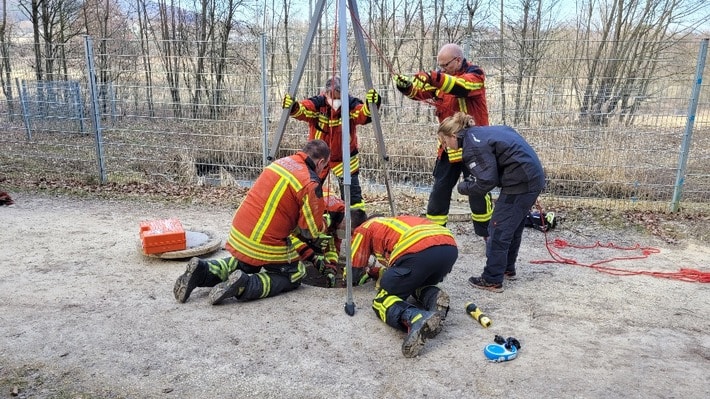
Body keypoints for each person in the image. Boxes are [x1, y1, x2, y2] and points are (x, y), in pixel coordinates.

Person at [173, 139, 332, 305]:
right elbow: (310, 232)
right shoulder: (310, 183)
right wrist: (325, 222)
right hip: (262, 240)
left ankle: (203, 271)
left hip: (239, 232)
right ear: (321, 162)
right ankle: (245, 286)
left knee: (247, 263)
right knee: (294, 273)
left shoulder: (280, 163)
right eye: (325, 166)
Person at [437, 112, 545, 293]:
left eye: (445, 143)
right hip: (530, 177)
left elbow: (486, 181)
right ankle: (506, 269)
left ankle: (492, 279)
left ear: (453, 136)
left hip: (520, 182)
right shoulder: (479, 133)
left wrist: (463, 187)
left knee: (498, 228)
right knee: (513, 226)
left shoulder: (471, 147)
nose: (446, 148)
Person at [393, 43, 491, 240]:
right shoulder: (442, 78)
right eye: (439, 66)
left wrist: (433, 77)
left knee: (478, 192)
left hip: (475, 146)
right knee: (439, 191)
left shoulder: (475, 75)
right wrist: (407, 88)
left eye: (445, 65)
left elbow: (460, 87)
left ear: (457, 60)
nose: (442, 69)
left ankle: (487, 234)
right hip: (449, 146)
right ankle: (434, 234)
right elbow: (421, 92)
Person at [347, 215, 458, 358]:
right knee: (413, 281)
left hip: (418, 251)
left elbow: (353, 271)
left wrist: (348, 278)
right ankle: (434, 298)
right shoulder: (392, 224)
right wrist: (374, 272)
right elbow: (399, 268)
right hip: (448, 247)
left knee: (382, 299)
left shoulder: (364, 228)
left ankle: (416, 318)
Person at [282, 76, 381, 212]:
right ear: (326, 93)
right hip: (317, 158)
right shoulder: (317, 104)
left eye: (338, 97)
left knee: (353, 196)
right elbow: (303, 110)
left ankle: (355, 222)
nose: (335, 101)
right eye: (332, 97)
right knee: (310, 190)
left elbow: (363, 115)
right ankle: (307, 218)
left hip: (344, 159)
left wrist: (371, 105)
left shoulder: (351, 105)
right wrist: (293, 107)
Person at [291, 190, 368, 287]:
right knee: (292, 249)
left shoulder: (340, 219)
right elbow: (290, 233)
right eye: (350, 233)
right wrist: (311, 256)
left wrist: (331, 268)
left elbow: (333, 247)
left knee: (317, 239)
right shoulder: (324, 210)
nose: (348, 237)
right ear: (347, 223)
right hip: (293, 214)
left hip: (313, 218)